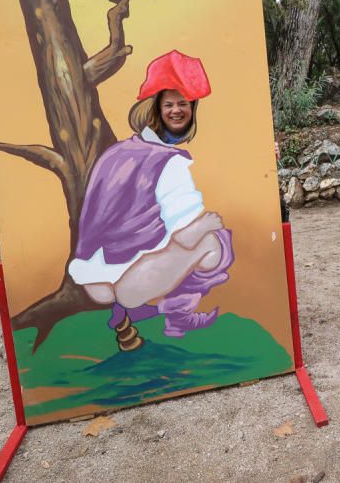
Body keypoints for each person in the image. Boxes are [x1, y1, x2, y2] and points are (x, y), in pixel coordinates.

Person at [68, 50, 234, 351]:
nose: (176, 110)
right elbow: (185, 237)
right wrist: (209, 222)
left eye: (183, 103)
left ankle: (122, 317)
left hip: (96, 279)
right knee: (214, 241)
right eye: (169, 104)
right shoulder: (170, 164)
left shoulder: (119, 152)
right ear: (155, 108)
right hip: (128, 283)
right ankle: (177, 314)